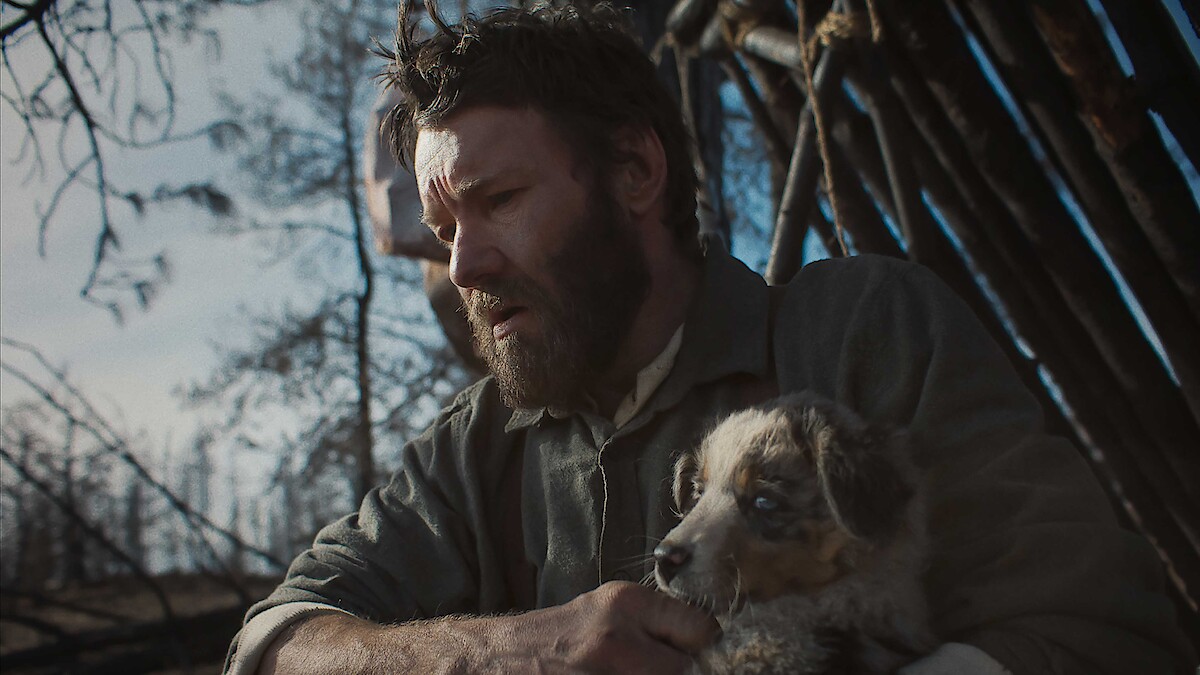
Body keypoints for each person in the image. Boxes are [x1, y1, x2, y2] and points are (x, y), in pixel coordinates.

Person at [224, 3, 1194, 674]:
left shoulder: (854, 328)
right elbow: (270, 644)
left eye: (500, 201)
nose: (466, 265)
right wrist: (497, 653)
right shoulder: (470, 451)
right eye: (445, 232)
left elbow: (1098, 622)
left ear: (637, 171)